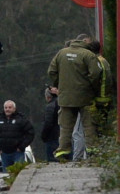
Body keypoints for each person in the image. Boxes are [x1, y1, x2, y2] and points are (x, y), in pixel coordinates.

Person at [47, 34, 103, 162]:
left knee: (65, 126)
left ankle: (63, 152)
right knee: (88, 125)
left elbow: (51, 71)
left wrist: (59, 84)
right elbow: (95, 73)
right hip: (85, 97)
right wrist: (91, 86)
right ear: (85, 42)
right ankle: (92, 151)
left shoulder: (61, 53)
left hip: (66, 97)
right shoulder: (88, 55)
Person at [0, 100, 35, 172]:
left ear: (14, 109)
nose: (7, 109)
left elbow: (30, 133)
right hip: (4, 153)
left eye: (9, 107)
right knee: (6, 175)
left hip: (17, 152)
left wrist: (22, 146)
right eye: (6, 107)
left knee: (18, 173)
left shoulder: (21, 119)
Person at [87, 39, 113, 138]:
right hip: (106, 98)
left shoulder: (96, 62)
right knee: (103, 126)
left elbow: (94, 79)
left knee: (97, 128)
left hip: (99, 99)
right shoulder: (103, 60)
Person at [40, 86, 60, 162]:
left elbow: (48, 123)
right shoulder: (61, 104)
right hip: (62, 136)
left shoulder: (50, 107)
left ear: (48, 97)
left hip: (52, 137)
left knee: (52, 161)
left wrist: (43, 136)